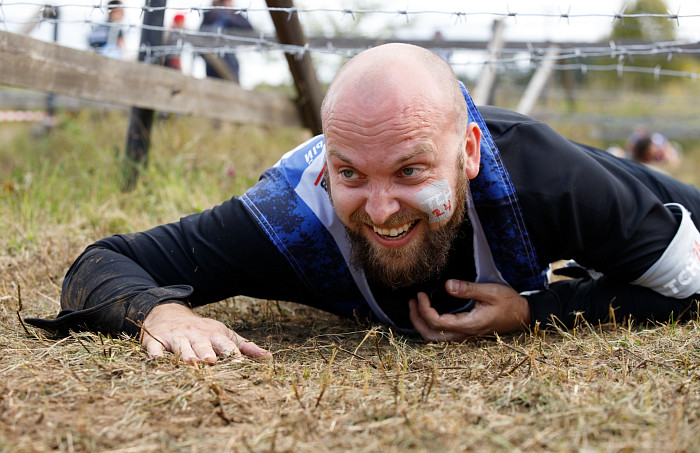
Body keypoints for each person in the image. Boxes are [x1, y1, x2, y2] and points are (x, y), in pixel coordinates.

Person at [26, 44, 700, 364]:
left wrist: (540, 311)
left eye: (411, 170)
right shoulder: (291, 216)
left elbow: (692, 285)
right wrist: (157, 310)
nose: (380, 210)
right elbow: (105, 260)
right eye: (350, 172)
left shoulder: (549, 180)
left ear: (468, 152)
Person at [199, 0, 253, 82]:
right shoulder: (210, 15)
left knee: (232, 82)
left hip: (229, 56)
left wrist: (230, 14)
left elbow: (249, 30)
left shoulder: (234, 15)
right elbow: (201, 34)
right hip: (212, 59)